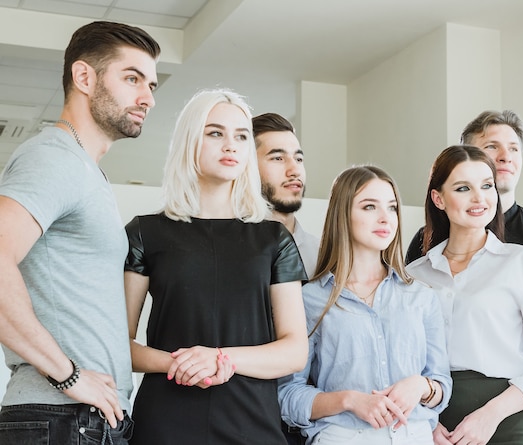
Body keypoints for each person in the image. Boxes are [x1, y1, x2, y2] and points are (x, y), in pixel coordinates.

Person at [0, 21, 160, 444]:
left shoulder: (86, 170)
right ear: (84, 77)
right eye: (132, 79)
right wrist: (68, 375)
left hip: (83, 419)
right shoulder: (55, 158)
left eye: (152, 86)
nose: (147, 97)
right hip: (62, 417)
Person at [123, 88, 309, 445]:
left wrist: (220, 358)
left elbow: (294, 351)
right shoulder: (144, 232)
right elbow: (119, 343)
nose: (231, 146)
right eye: (215, 133)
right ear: (190, 141)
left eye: (241, 136)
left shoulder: (274, 240)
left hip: (253, 424)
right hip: (165, 423)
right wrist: (180, 364)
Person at [406, 111, 523, 445]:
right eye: (464, 187)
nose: (479, 198)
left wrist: (492, 415)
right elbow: (401, 355)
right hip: (430, 426)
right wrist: (424, 421)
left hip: (510, 421)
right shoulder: (415, 273)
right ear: (439, 198)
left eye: (487, 186)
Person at [279, 165, 451, 445]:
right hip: (342, 438)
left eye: (392, 207)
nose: (386, 218)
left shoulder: (421, 296)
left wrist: (421, 386)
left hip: (415, 436)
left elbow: (442, 385)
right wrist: (349, 400)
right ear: (342, 214)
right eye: (370, 207)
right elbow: (287, 396)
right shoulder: (309, 299)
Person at [253, 112, 320, 278]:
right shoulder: (226, 248)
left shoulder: (323, 256)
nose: (294, 170)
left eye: (298, 159)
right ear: (248, 169)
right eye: (278, 158)